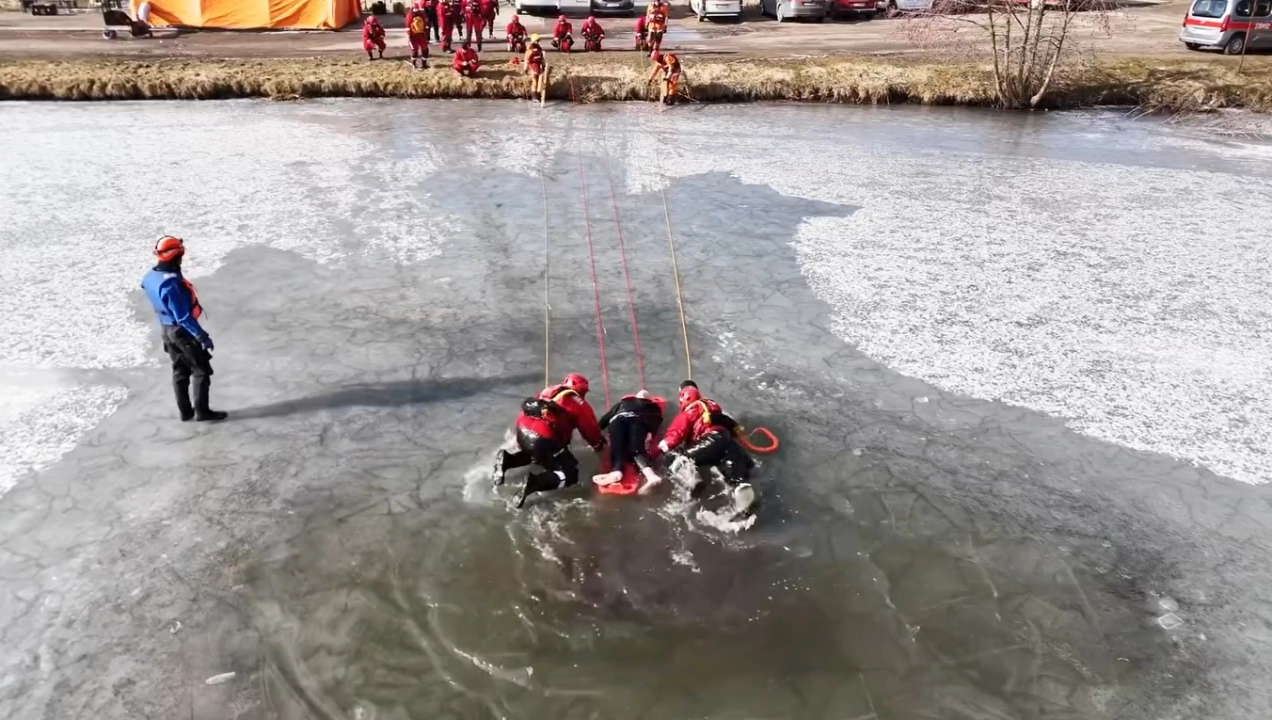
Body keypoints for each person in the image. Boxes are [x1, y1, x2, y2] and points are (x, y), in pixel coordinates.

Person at [140, 236, 227, 423]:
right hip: (181, 332)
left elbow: (148, 289)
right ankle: (202, 412)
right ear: (176, 256)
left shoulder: (150, 277)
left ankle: (185, 412)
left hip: (166, 329)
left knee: (180, 370)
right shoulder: (172, 285)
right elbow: (184, 317)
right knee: (201, 370)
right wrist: (202, 336)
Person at [494, 374, 606, 508]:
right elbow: (590, 430)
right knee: (571, 473)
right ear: (581, 390)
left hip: (522, 431)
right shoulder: (577, 402)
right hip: (542, 438)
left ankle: (508, 460)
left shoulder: (548, 391)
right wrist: (600, 447)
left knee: (538, 454)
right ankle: (534, 483)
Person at [658, 381, 753, 504]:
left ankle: (693, 480)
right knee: (734, 477)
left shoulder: (691, 410)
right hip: (729, 443)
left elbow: (675, 436)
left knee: (672, 458)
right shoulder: (715, 410)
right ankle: (742, 492)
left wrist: (658, 450)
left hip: (711, 441)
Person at [594, 390, 666, 489]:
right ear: (649, 400)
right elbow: (657, 421)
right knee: (636, 451)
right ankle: (651, 476)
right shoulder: (654, 407)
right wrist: (650, 433)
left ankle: (617, 471)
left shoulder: (622, 404)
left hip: (618, 420)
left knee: (617, 449)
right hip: (638, 421)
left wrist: (598, 438)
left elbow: (602, 423)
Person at [406, 0, 431, 68]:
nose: (416, 10)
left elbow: (426, 22)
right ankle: (414, 64)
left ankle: (424, 64)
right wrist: (409, 35)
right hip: (413, 35)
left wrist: (426, 30)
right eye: (415, 9)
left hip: (421, 34)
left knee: (425, 49)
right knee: (415, 50)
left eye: (417, 8)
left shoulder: (422, 14)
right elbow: (408, 25)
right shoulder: (410, 15)